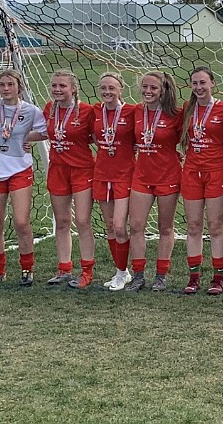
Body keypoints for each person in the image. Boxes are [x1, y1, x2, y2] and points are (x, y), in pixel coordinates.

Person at [0, 69, 48, 287]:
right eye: (2, 85)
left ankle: (27, 268)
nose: (6, 88)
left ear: (20, 86)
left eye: (10, 84)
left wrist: (29, 137)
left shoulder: (31, 111)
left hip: (19, 170)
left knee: (21, 221)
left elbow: (46, 132)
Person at [179, 66, 223, 295]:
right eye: (195, 83)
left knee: (215, 226)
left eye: (203, 83)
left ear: (212, 83)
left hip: (216, 172)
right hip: (192, 171)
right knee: (193, 226)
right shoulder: (187, 108)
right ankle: (194, 277)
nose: (199, 87)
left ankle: (218, 277)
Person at [126, 71, 183, 292]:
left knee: (165, 227)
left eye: (153, 88)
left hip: (168, 175)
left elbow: (194, 135)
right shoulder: (136, 111)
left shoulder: (176, 114)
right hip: (142, 175)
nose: (148, 92)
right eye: (145, 87)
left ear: (163, 91)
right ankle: (138, 275)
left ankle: (161, 276)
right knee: (136, 225)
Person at [42, 70, 98, 288]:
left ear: (73, 88)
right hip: (58, 169)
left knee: (82, 221)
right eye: (54, 85)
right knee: (62, 221)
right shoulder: (49, 109)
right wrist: (20, 138)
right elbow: (46, 133)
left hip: (82, 169)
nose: (57, 89)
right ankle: (64, 268)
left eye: (62, 86)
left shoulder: (87, 111)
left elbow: (98, 136)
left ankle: (87, 271)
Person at [92, 72, 137, 291]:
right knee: (110, 225)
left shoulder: (132, 111)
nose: (107, 92)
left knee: (120, 225)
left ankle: (130, 270)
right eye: (103, 88)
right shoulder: (94, 112)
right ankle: (121, 271)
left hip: (125, 174)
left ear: (121, 89)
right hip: (101, 173)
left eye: (112, 88)